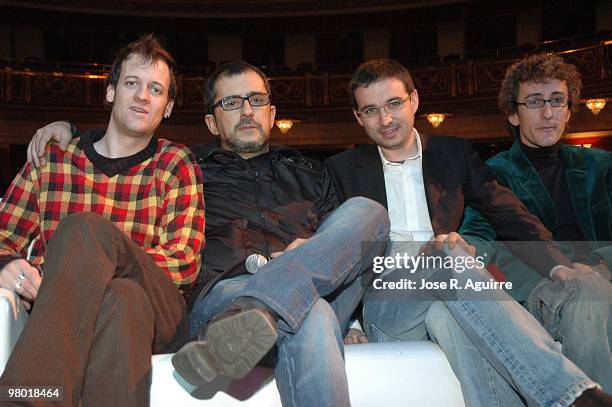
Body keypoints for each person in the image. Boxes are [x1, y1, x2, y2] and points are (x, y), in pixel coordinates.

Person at [27, 61, 389, 406]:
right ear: (212, 123)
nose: (247, 111)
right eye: (231, 103)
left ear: (272, 113)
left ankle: (260, 309)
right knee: (313, 313)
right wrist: (71, 133)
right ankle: (256, 312)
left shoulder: (312, 171)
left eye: (257, 100)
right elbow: (123, 147)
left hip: (305, 286)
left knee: (368, 211)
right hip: (225, 298)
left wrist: (308, 261)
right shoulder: (187, 166)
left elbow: (344, 244)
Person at [325, 58, 611, 406]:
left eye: (394, 104)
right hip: (388, 303)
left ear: (414, 100)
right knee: (447, 257)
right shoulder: (340, 170)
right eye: (371, 110)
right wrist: (350, 325)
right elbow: (332, 249)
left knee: (448, 305)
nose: (385, 119)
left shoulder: (452, 153)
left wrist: (556, 265)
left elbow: (507, 212)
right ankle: (572, 394)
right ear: (358, 117)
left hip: (447, 289)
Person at [0, 35, 205, 406]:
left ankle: (26, 399)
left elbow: (184, 261)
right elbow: (2, 234)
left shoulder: (176, 163)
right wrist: (7, 264)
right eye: (132, 84)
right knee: (121, 298)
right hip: (109, 309)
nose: (143, 96)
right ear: (110, 92)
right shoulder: (54, 159)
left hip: (163, 313)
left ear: (168, 106)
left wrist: (83, 268)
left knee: (83, 230)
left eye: (155, 89)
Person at [459, 53, 612, 390]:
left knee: (593, 286)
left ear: (570, 109)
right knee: (587, 291)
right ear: (513, 114)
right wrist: (464, 250)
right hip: (542, 289)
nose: (548, 113)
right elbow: (477, 234)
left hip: (604, 277)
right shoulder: (493, 173)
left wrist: (599, 262)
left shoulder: (602, 166)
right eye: (534, 101)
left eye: (557, 101)